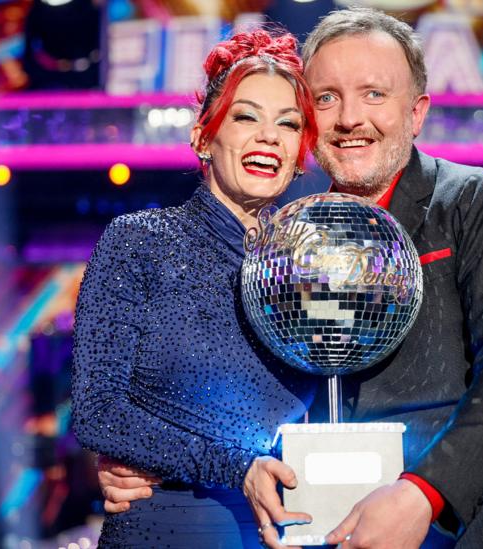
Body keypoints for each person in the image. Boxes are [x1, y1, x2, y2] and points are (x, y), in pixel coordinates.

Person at [99, 7, 483, 548]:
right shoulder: (283, 237)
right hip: (327, 529)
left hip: (471, 528)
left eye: (374, 94)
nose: (348, 119)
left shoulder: (481, 203)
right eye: (327, 98)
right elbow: (231, 394)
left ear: (416, 113)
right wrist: (147, 459)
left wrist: (425, 494)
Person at [71, 29, 321, 548]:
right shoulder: (138, 243)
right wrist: (240, 469)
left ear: (301, 155)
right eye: (246, 116)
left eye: (288, 124)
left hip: (283, 530)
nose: (269, 137)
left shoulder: (309, 273)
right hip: (164, 530)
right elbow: (98, 414)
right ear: (203, 138)